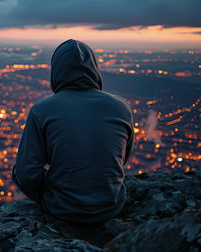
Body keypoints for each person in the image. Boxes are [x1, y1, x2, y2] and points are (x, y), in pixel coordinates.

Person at [12, 39, 134, 224]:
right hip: (111, 206)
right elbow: (122, 158)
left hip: (62, 209)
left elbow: (26, 174)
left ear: (56, 71)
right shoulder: (121, 106)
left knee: (17, 171)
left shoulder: (42, 110)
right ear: (95, 69)